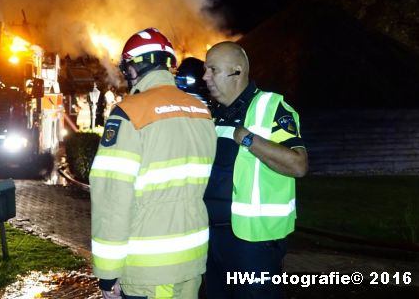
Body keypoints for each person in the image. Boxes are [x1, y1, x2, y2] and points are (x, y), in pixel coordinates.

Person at [90, 27, 217, 299]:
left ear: (133, 68)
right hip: (192, 259)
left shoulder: (130, 113)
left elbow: (112, 199)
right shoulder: (201, 112)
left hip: (149, 267)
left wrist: (107, 273)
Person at [202, 42, 308, 298]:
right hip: (211, 238)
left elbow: (298, 164)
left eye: (213, 70)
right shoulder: (213, 115)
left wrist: (249, 139)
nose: (205, 76)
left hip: (254, 242)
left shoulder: (272, 108)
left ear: (236, 72)